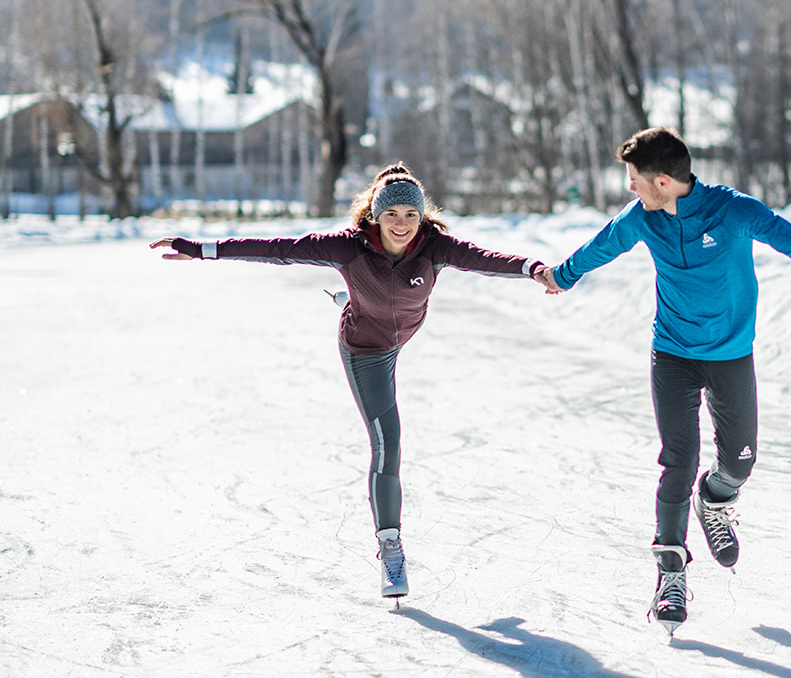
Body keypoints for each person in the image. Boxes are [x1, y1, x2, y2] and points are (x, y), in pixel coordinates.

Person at [534, 127, 791, 634]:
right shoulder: (642, 219)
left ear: (661, 181)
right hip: (672, 354)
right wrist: (560, 276)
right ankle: (670, 573)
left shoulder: (735, 210)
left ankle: (716, 499)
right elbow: (599, 248)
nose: (630, 188)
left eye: (635, 179)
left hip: (730, 356)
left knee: (741, 459)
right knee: (678, 460)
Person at [150, 163, 546, 602]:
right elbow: (277, 248)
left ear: (422, 218)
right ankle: (391, 545)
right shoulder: (348, 248)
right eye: (391, 214)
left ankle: (350, 298)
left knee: (375, 305)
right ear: (375, 216)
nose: (402, 224)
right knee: (387, 442)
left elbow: (486, 259)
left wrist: (532, 267)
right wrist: (203, 249)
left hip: (403, 329)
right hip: (366, 349)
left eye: (411, 216)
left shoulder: (435, 247)